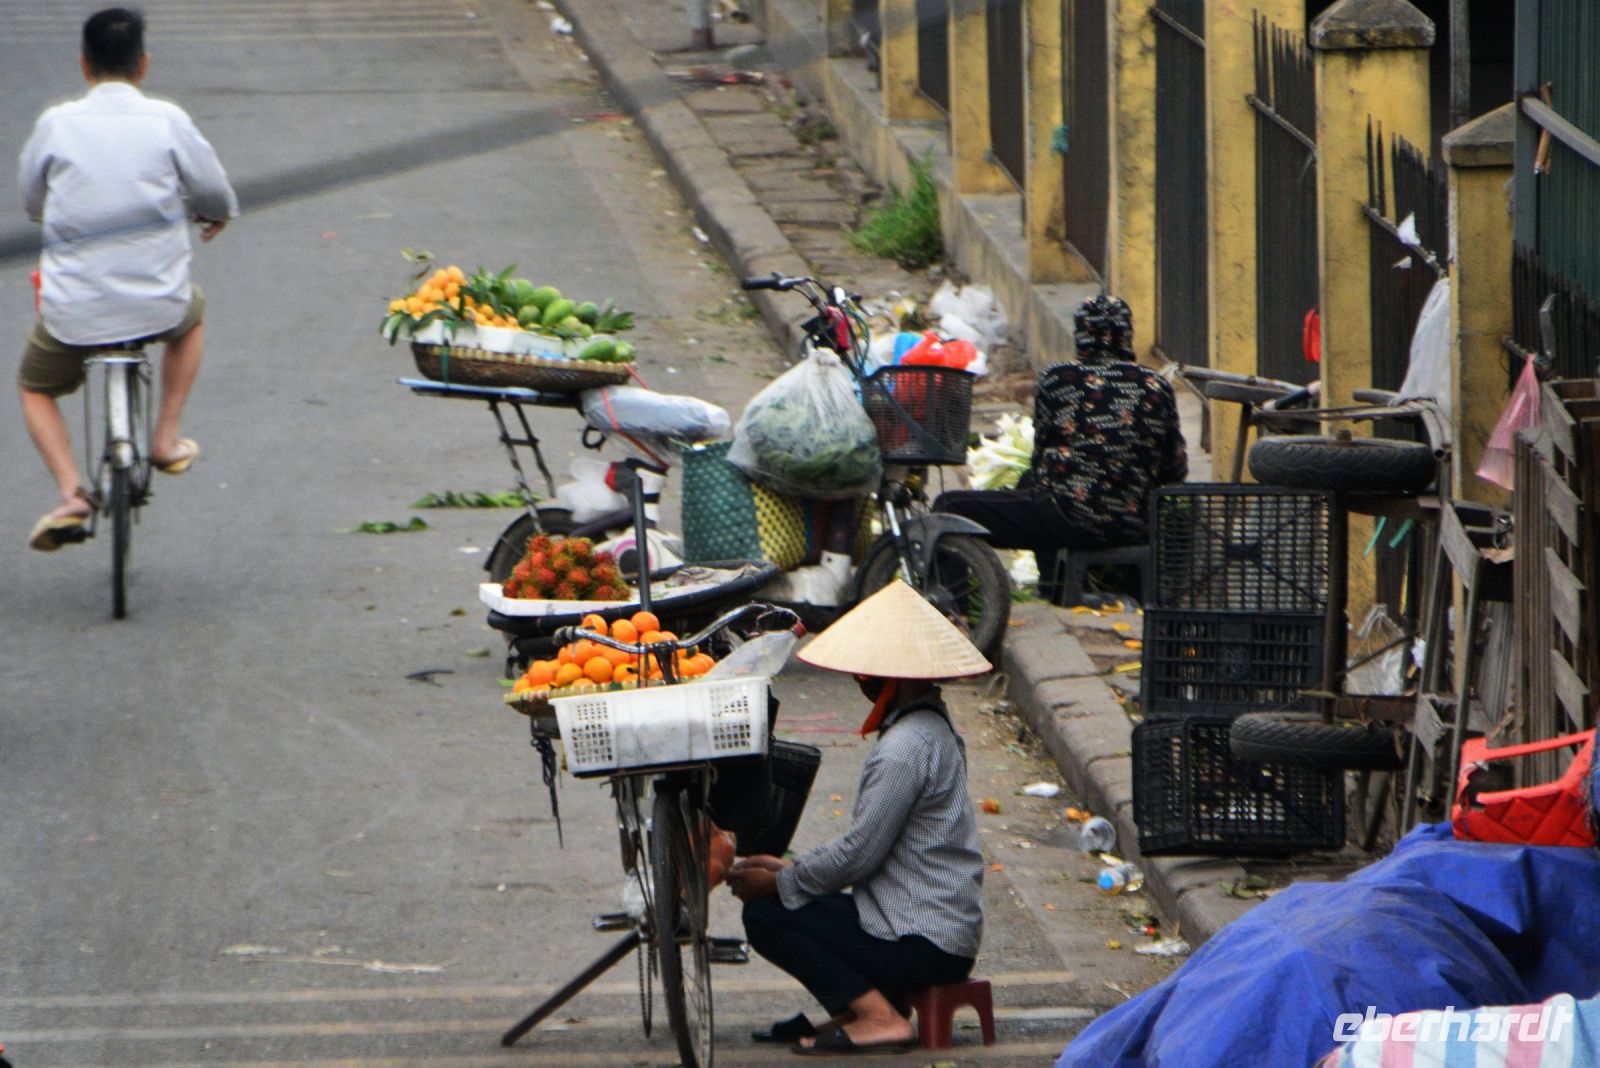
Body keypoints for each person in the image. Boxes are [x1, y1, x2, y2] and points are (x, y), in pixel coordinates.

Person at [726, 579, 989, 1056]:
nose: (859, 680)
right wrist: (791, 871)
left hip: (922, 942)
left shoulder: (905, 748)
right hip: (934, 930)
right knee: (795, 897)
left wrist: (783, 882)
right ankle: (864, 1006)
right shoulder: (931, 726)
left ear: (897, 677)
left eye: (868, 673)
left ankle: (879, 1017)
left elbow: (860, 854)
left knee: (766, 914)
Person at [18, 7, 237, 551]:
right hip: (157, 302)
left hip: (74, 308)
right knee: (192, 314)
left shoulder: (57, 124)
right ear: (142, 64)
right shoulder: (167, 121)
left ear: (83, 66)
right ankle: (164, 440)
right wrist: (214, 214)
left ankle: (72, 493)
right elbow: (212, 193)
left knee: (35, 386)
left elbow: (31, 199)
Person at [934, 294, 1187, 556]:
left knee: (949, 505)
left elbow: (1042, 453)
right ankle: (1055, 584)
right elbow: (1174, 468)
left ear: (1081, 335)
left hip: (1067, 515)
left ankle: (955, 595)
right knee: (1031, 483)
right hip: (1134, 523)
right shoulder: (1155, 385)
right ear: (1127, 334)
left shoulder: (1059, 378)